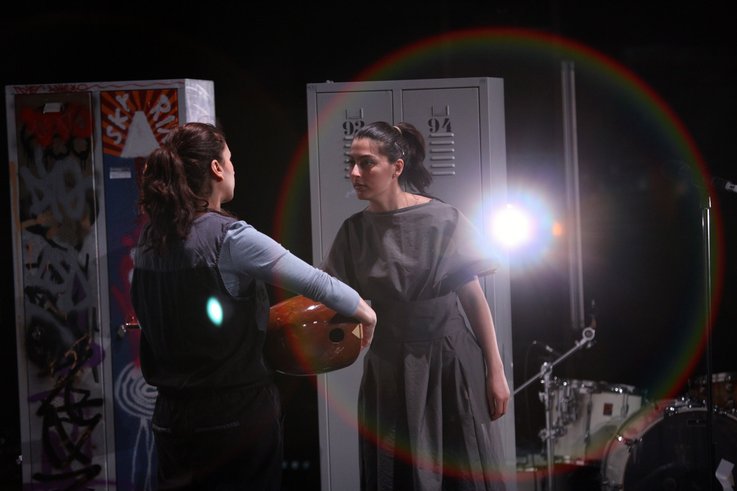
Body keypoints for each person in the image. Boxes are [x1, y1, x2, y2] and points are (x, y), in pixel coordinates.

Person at [130, 122, 377, 491]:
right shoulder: (230, 238)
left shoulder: (150, 239)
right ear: (216, 168)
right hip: (233, 418)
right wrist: (366, 313)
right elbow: (315, 282)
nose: (234, 167)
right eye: (229, 159)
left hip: (170, 420)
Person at [321, 121, 510, 490]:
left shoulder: (443, 218)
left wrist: (496, 371)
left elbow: (472, 297)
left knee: (463, 468)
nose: (354, 173)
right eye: (351, 163)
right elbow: (334, 300)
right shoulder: (353, 231)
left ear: (397, 167)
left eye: (366, 163)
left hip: (449, 361)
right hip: (389, 367)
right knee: (396, 472)